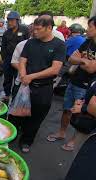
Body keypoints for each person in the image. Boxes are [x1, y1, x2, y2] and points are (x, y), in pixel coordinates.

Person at [18, 16, 66, 152]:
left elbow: (55, 69)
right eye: (34, 29)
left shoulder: (59, 45)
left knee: (36, 117)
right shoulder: (30, 43)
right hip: (26, 85)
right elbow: (22, 61)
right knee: (18, 113)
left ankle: (27, 141)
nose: (34, 32)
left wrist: (31, 76)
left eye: (38, 29)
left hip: (43, 88)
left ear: (49, 28)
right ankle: (14, 135)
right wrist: (23, 75)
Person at [47, 19, 96, 151]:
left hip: (88, 86)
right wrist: (83, 61)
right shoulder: (88, 41)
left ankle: (74, 141)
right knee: (67, 109)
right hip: (74, 80)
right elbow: (71, 59)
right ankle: (62, 133)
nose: (87, 29)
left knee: (81, 114)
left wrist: (81, 61)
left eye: (90, 26)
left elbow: (92, 69)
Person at [1, 11, 30, 103]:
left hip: (20, 59)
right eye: (9, 20)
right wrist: (4, 59)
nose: (10, 22)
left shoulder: (24, 30)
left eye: (12, 20)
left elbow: (29, 44)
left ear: (17, 20)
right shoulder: (6, 33)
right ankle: (7, 94)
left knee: (18, 78)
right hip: (8, 58)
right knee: (7, 78)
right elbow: (3, 47)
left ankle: (16, 96)